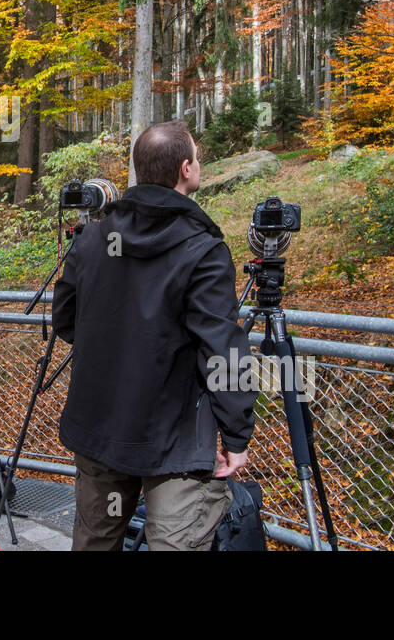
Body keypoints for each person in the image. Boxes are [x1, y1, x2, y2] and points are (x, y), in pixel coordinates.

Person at [53, 119, 257, 550]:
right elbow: (221, 350)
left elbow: (66, 320)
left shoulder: (92, 239)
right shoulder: (203, 250)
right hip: (174, 439)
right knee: (175, 542)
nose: (198, 164)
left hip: (100, 424)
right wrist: (237, 436)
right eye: (197, 158)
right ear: (186, 169)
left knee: (95, 539)